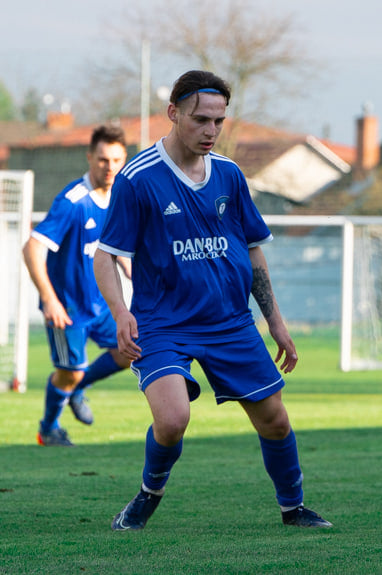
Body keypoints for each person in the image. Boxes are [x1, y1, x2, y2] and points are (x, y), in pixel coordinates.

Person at [93, 70, 330, 531]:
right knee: (173, 419)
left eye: (219, 121)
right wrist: (120, 313)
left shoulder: (229, 174)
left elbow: (253, 249)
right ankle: (147, 495)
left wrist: (275, 322)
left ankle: (293, 508)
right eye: (201, 119)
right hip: (164, 325)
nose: (211, 130)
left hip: (230, 324)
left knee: (276, 422)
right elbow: (106, 257)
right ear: (173, 113)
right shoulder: (138, 178)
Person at [23, 125, 132, 447]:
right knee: (68, 372)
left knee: (129, 351)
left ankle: (79, 388)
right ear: (89, 158)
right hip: (68, 307)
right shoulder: (73, 202)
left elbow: (111, 244)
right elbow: (32, 248)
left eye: (116, 159)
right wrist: (49, 299)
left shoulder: (119, 197)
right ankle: (48, 429)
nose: (109, 167)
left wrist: (127, 265)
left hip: (102, 304)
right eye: (102, 159)